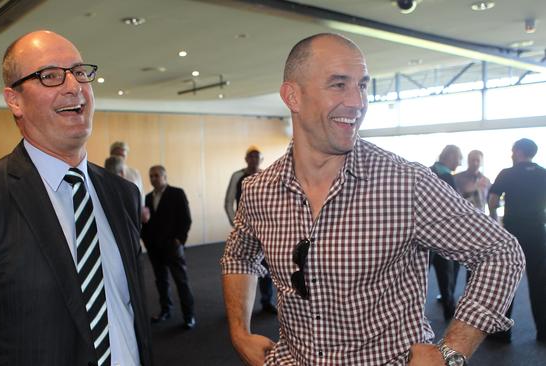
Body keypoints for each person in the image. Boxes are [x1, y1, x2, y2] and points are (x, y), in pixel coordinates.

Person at [221, 33, 524, 366]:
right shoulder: (259, 190)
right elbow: (239, 255)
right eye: (338, 85)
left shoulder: (406, 183)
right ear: (292, 96)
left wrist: (451, 353)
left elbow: (501, 253)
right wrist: (239, 332)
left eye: (362, 85)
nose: (357, 102)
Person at [0, 30, 152, 366]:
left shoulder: (122, 193)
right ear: (14, 100)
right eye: (50, 76)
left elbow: (129, 310)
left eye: (79, 72)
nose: (73, 86)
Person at [488, 138, 546, 343]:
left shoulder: (507, 173)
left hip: (513, 236)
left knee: (507, 283)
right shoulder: (543, 173)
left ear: (518, 151)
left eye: (513, 150)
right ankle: (544, 332)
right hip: (538, 234)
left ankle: (502, 334)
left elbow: (493, 201)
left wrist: (496, 226)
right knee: (540, 283)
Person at [141, 165, 196, 329]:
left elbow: (186, 219)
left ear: (165, 176)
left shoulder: (177, 193)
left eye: (157, 175)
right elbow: (146, 222)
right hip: (154, 248)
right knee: (161, 281)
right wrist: (146, 240)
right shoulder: (148, 197)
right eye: (151, 176)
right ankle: (165, 310)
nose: (153, 178)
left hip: (172, 246)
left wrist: (179, 240)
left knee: (181, 281)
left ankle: (189, 316)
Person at [224, 146, 276, 314]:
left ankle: (266, 301)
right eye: (251, 156)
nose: (254, 159)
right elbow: (228, 202)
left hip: (264, 230)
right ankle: (240, 307)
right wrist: (236, 224)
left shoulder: (265, 175)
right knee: (241, 268)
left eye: (257, 157)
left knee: (266, 268)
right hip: (245, 231)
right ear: (246, 159)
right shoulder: (237, 176)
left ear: (261, 160)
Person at [429, 145, 463, 321]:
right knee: (446, 279)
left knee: (418, 281)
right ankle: (450, 318)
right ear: (450, 156)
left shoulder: (427, 171)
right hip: (442, 237)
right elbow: (454, 208)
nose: (460, 162)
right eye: (459, 158)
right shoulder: (447, 176)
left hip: (423, 236)